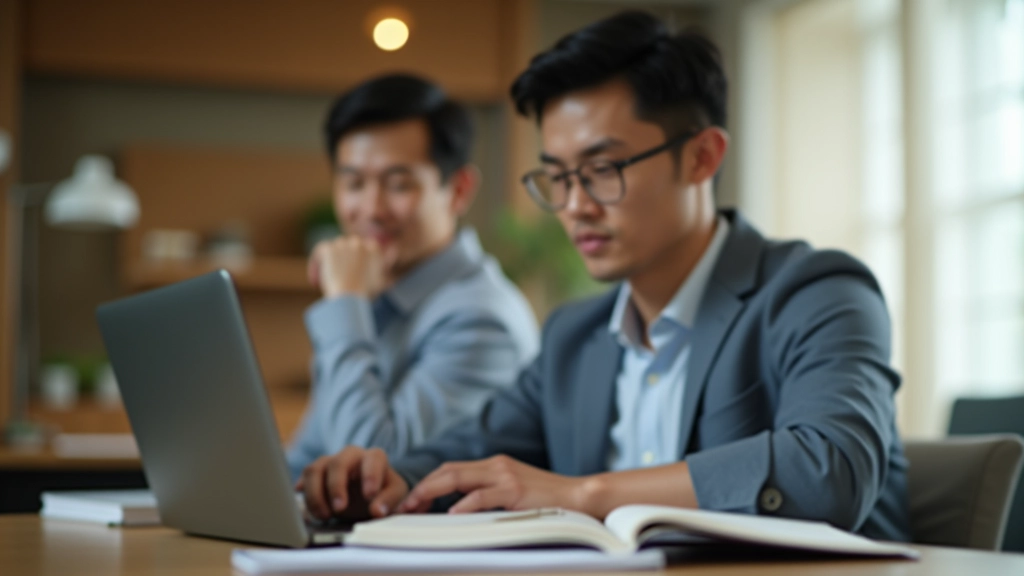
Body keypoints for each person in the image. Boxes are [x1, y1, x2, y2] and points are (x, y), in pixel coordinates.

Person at [298, 12, 911, 541]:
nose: (575, 205)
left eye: (602, 168)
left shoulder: (816, 292)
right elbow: (468, 451)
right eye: (557, 178)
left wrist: (583, 494)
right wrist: (385, 481)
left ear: (702, 157)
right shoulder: (576, 335)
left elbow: (830, 468)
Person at [285, 74, 540, 480]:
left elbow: (373, 476)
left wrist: (346, 305)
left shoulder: (480, 318)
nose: (370, 208)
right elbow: (307, 460)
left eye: (398, 184)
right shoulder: (376, 299)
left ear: (458, 190)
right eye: (353, 183)